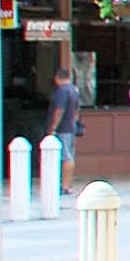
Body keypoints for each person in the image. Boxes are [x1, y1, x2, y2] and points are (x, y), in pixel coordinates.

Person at [46, 67, 80, 195]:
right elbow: (77, 110)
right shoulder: (74, 90)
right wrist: (74, 122)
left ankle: (64, 186)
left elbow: (59, 110)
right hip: (71, 128)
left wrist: (53, 127)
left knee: (66, 157)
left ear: (57, 77)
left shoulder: (62, 91)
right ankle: (68, 183)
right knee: (70, 155)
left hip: (63, 129)